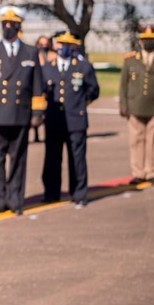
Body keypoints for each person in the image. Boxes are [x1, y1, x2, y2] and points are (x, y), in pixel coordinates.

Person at [0, 6, 45, 215]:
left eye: (12, 24)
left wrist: (37, 112)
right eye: (4, 24)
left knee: (18, 160)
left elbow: (37, 84)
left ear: (19, 27)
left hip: (20, 114)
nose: (8, 27)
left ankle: (15, 199)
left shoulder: (30, 51)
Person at [41, 32, 100, 207]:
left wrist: (80, 104)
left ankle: (79, 193)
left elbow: (93, 90)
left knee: (77, 159)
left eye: (68, 44)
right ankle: (51, 192)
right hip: (54, 119)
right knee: (52, 158)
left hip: (75, 119)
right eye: (60, 44)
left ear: (74, 46)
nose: (63, 47)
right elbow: (43, 90)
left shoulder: (83, 66)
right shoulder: (48, 67)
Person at [118, 25, 154, 185]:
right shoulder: (130, 59)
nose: (148, 42)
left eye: (151, 40)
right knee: (136, 141)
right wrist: (123, 106)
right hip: (134, 107)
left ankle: (152, 171)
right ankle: (138, 172)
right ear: (140, 41)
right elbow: (123, 84)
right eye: (145, 39)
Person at [32, 34, 51, 143]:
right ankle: (36, 133)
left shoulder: (53, 55)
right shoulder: (34, 55)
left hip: (50, 86)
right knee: (38, 111)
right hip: (39, 86)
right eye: (41, 44)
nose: (44, 46)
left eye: (45, 44)